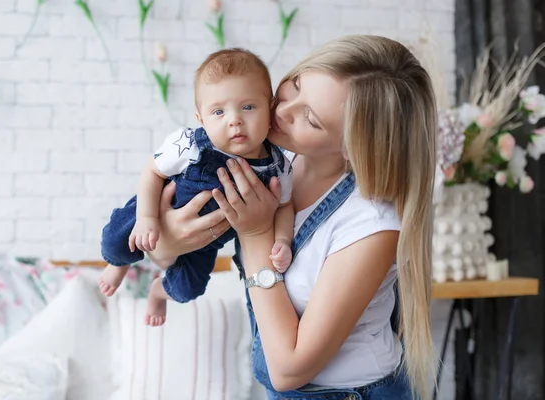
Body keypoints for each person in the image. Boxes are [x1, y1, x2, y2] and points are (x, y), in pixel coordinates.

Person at [145, 35, 438, 399]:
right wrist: (169, 240)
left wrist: (255, 234)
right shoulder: (278, 162)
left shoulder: (372, 224)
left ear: (352, 148)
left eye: (310, 118)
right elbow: (164, 252)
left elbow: (288, 371)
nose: (281, 111)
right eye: (296, 85)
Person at [98, 48, 295, 327]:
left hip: (207, 242)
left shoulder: (279, 167)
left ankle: (158, 292)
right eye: (218, 111)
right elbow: (152, 172)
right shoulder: (189, 145)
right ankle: (119, 263)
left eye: (248, 107)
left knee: (188, 289)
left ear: (270, 107)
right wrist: (147, 218)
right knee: (116, 240)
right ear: (201, 118)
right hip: (159, 208)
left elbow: (286, 206)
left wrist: (284, 240)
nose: (234, 119)